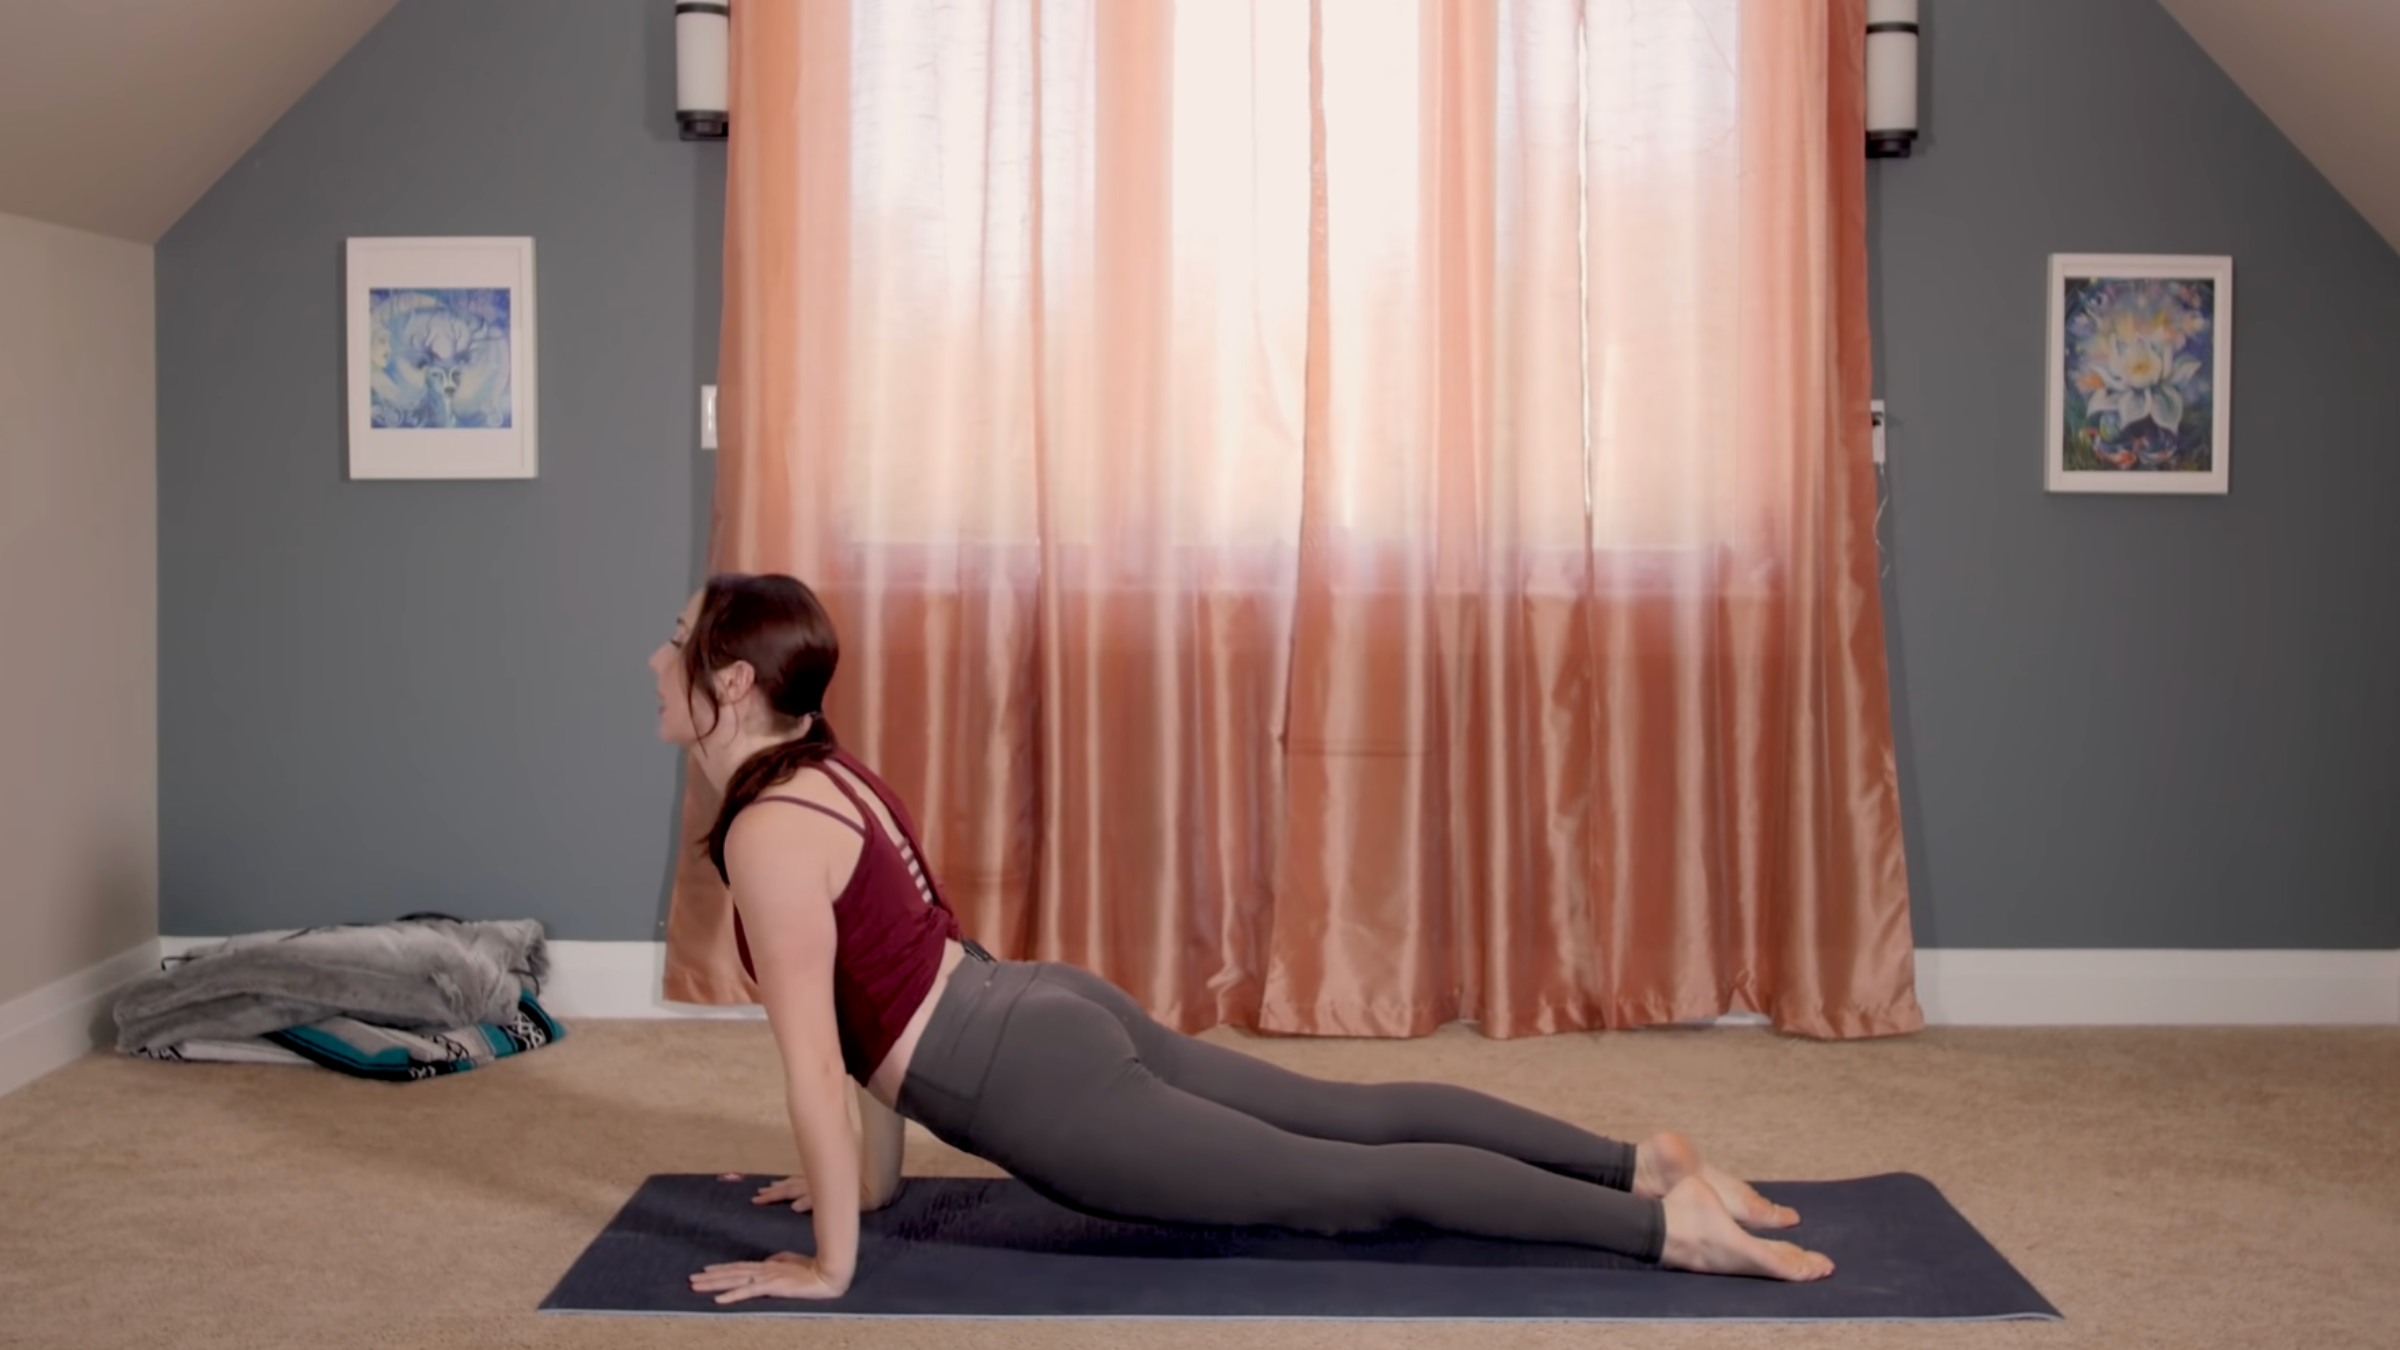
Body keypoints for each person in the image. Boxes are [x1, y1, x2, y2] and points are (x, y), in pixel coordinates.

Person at [650, 573, 1837, 1304]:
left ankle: (1661, 1228)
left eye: (678, 640)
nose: (657, 659)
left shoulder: (765, 833)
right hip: (1044, 1010)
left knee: (1348, 1185)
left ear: (736, 681)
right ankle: (1644, 1160)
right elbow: (878, 1010)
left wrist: (830, 1264)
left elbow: (819, 1058)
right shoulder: (827, 774)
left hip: (1036, 1085)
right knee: (1353, 1115)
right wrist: (863, 1181)